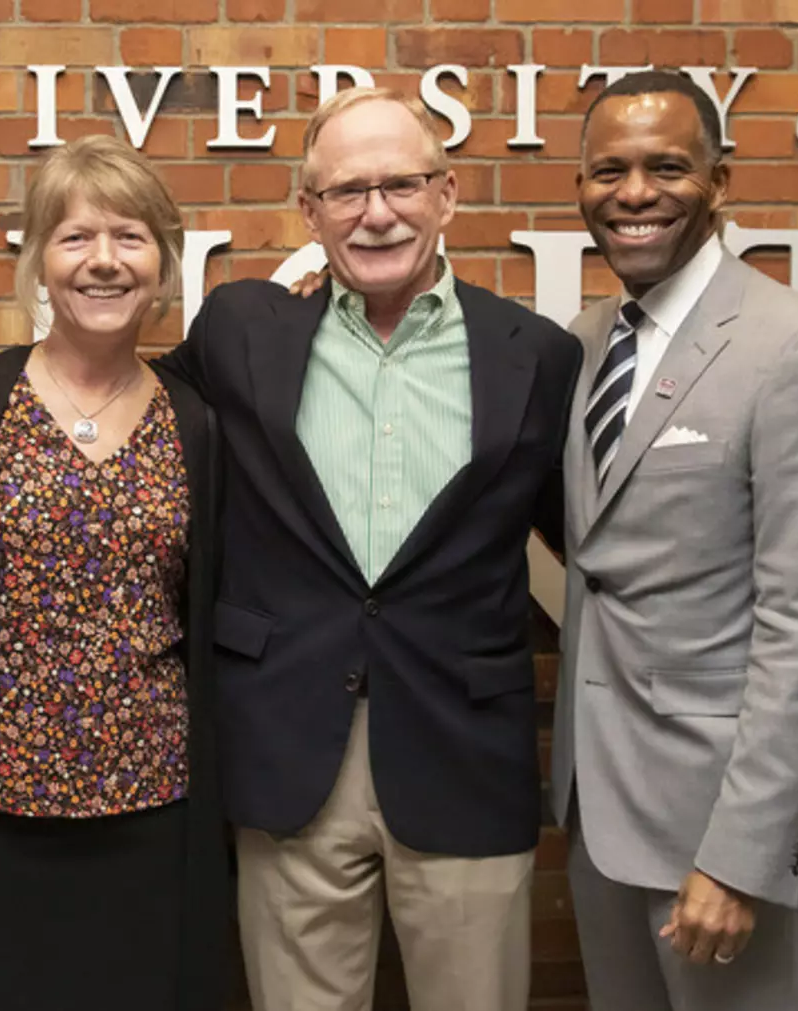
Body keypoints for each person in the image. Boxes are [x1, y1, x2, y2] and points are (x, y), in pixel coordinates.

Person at [171, 88, 577, 1011]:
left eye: (401, 183)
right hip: (288, 755)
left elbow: (596, 536)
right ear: (309, 212)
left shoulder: (537, 356)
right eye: (347, 191)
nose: (377, 211)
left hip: (463, 752)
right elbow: (123, 404)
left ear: (448, 193)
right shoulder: (242, 332)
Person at [551, 70, 798, 1011]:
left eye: (667, 167)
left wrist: (740, 858)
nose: (633, 193)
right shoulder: (582, 345)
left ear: (721, 182)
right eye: (607, 170)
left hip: (721, 831)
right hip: (600, 812)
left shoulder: (795, 348)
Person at [0, 134, 227, 1011]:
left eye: (129, 237)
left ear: (163, 261)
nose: (103, 261)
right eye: (75, 236)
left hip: (155, 811)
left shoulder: (196, 421)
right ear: (39, 261)